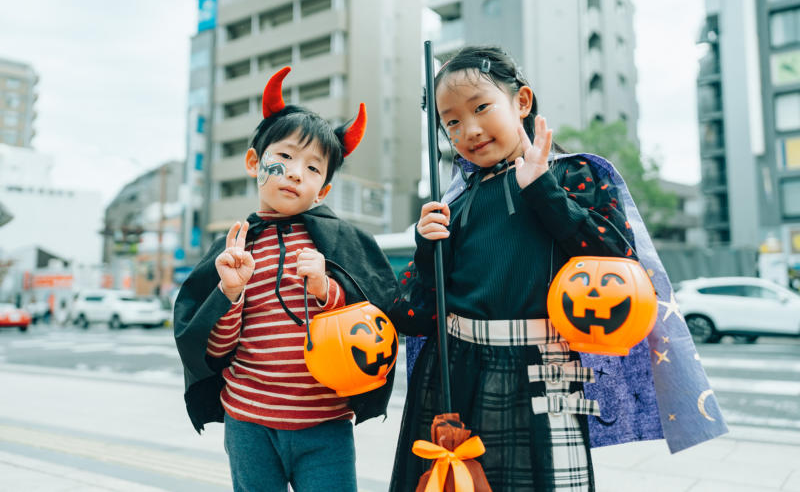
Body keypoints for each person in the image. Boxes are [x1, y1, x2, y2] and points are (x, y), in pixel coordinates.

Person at [388, 46, 727, 491]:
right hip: (453, 371)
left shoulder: (575, 176)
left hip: (544, 370)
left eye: (481, 107)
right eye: (450, 122)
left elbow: (620, 265)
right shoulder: (455, 203)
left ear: (522, 101)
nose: (468, 129)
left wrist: (542, 189)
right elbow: (414, 317)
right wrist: (426, 249)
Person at [173, 67, 398, 492]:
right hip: (247, 422)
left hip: (325, 422)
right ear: (254, 162)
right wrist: (230, 293)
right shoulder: (235, 247)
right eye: (286, 157)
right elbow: (214, 349)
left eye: (314, 168)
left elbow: (375, 319)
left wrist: (326, 290)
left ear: (323, 190)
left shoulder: (341, 244)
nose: (296, 173)